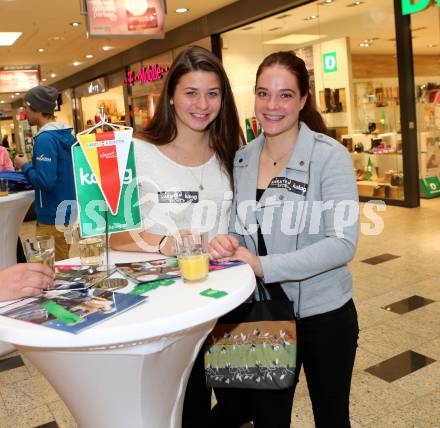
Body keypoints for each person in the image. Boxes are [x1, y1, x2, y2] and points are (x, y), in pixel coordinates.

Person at [209, 51, 359, 428]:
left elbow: (342, 242)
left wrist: (264, 265)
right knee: (268, 420)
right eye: (263, 93)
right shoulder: (242, 159)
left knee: (332, 416)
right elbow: (241, 228)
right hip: (263, 315)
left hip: (324, 316)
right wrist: (228, 242)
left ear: (304, 99)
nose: (272, 106)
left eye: (285, 95)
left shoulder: (330, 157)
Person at [110, 46, 243, 427]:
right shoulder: (137, 152)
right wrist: (165, 243)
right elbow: (112, 234)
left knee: (247, 398)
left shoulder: (230, 152)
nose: (202, 104)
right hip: (169, 306)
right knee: (189, 407)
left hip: (226, 302)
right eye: (191, 92)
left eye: (212, 93)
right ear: (171, 96)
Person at [14, 86, 77, 261]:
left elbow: (46, 181)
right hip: (65, 212)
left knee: (53, 269)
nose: (24, 112)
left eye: (26, 107)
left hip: (52, 216)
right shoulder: (63, 136)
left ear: (37, 108)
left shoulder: (45, 139)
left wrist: (25, 166)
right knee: (63, 260)